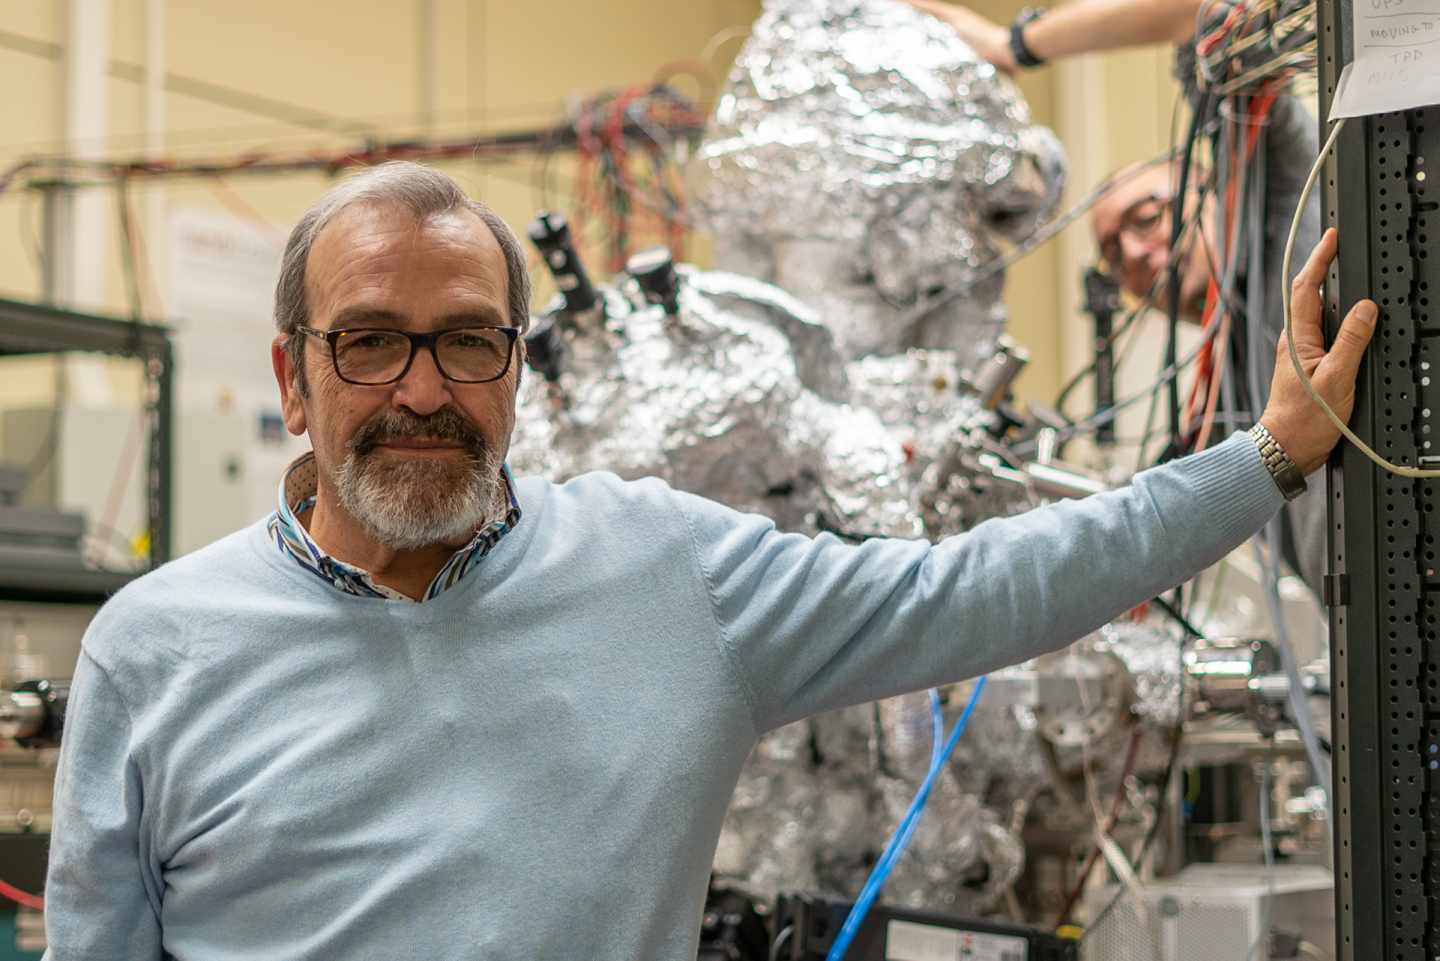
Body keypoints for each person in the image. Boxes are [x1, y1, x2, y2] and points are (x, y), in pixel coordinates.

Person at [42, 162, 1372, 960]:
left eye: (471, 341)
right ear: (293, 372)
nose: (424, 389)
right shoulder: (157, 646)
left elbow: (978, 587)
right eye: (370, 340)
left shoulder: (669, 570)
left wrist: (1262, 456)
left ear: (517, 363)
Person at [907, 0, 1328, 592]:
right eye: (1111, 252)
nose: (1131, 254)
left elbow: (1200, 15)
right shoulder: (1215, 404)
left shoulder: (1285, 217)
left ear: (1213, 191)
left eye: (1147, 217)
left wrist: (1013, 46)